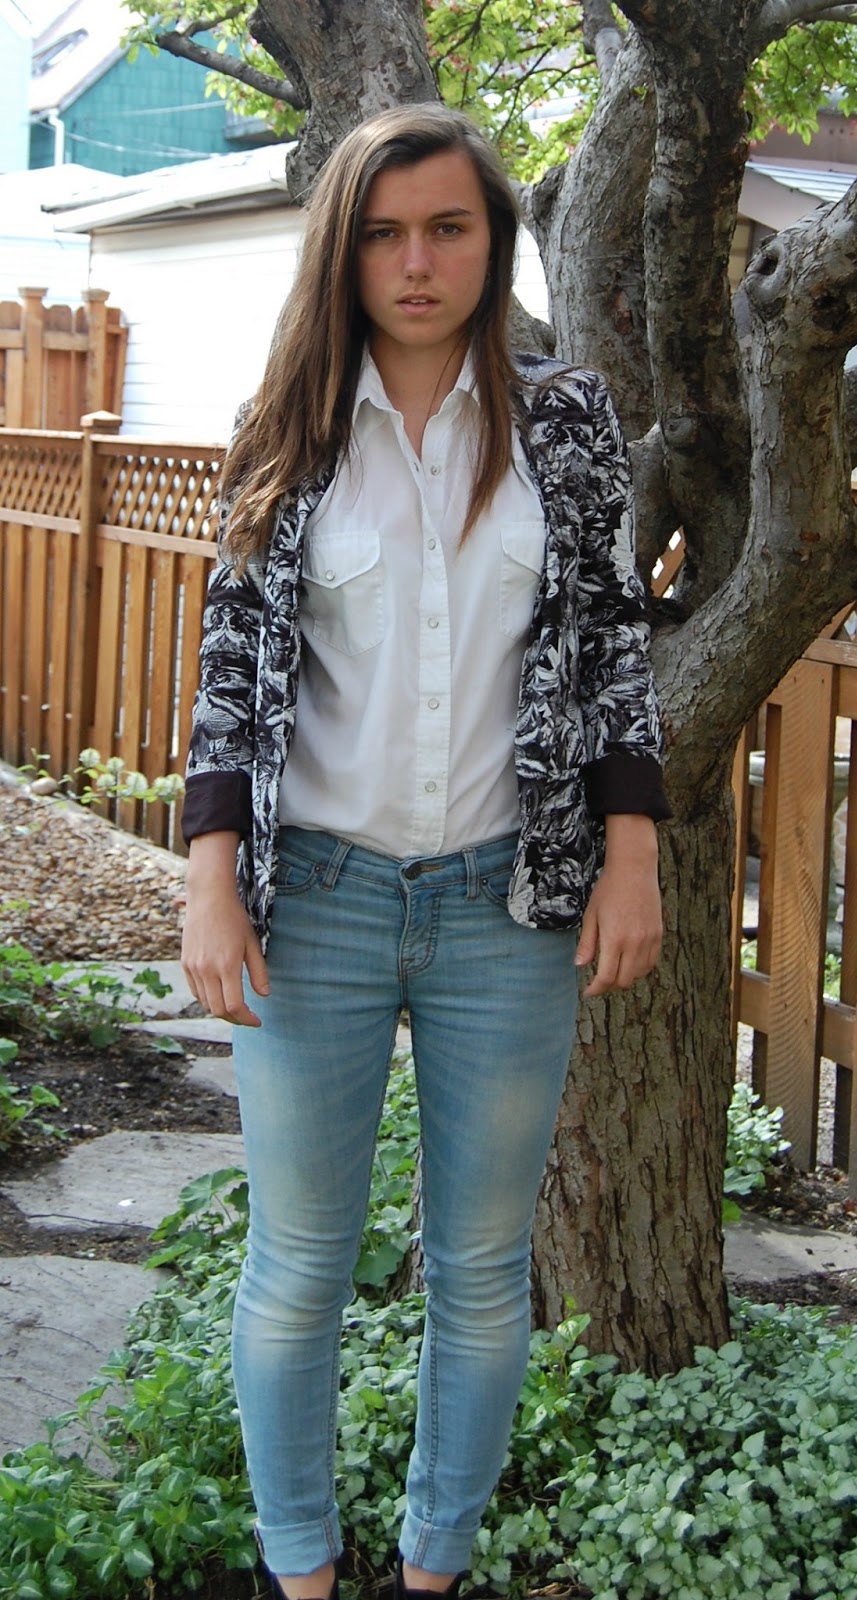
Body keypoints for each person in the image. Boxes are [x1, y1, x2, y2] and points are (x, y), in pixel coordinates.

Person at [180, 103, 669, 1600]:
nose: (415, 262)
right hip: (314, 903)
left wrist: (633, 857)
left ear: (492, 243)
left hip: (504, 908)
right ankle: (301, 1574)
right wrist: (209, 877)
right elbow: (233, 664)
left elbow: (610, 647)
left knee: (479, 1271)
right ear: (344, 249)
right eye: (384, 233)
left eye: (448, 228)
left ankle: (434, 1569)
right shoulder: (285, 424)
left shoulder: (567, 424)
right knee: (298, 1267)